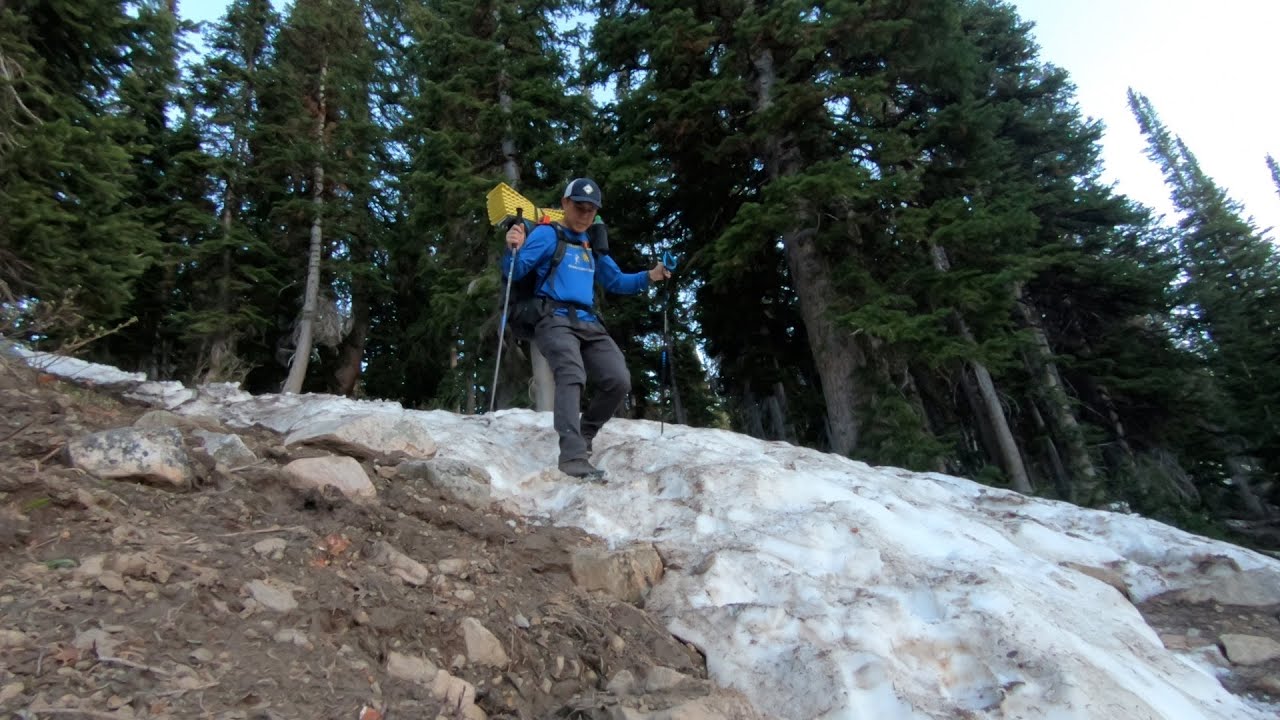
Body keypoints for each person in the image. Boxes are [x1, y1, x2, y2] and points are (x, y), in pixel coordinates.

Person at [503, 178, 671, 479]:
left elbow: (616, 281)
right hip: (552, 317)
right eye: (580, 207)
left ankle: (585, 433)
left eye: (591, 210)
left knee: (618, 379)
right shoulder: (547, 234)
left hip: (589, 321)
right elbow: (513, 271)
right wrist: (513, 247)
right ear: (565, 204)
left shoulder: (590, 243)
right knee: (572, 373)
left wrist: (653, 275)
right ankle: (572, 456)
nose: (585, 215)